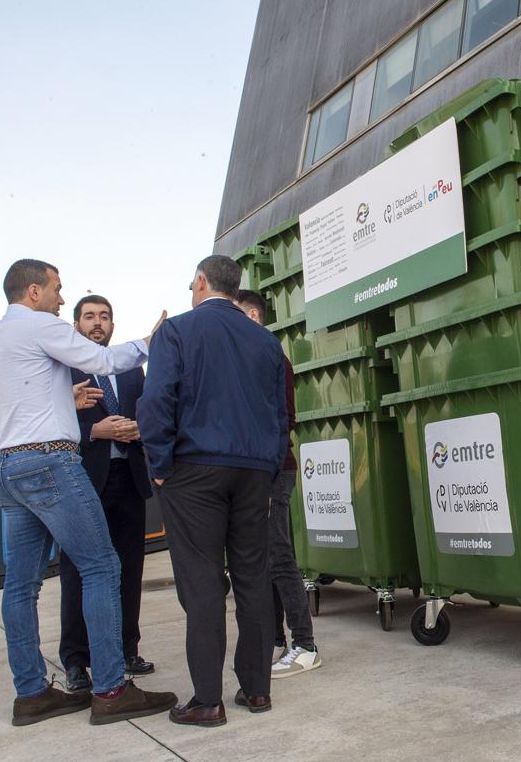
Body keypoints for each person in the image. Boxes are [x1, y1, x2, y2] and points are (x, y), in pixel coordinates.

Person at [0, 259, 177, 727]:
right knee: (103, 566)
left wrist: (58, 404)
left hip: (8, 465)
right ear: (33, 292)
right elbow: (105, 360)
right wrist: (153, 341)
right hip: (50, 461)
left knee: (21, 585)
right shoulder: (40, 325)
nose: (61, 299)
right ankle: (110, 688)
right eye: (56, 289)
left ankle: (31, 694)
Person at [138, 255, 289, 728]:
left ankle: (208, 699)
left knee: (203, 583)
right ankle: (257, 689)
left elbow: (156, 400)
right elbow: (278, 415)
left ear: (201, 282)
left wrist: (159, 466)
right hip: (252, 472)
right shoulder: (266, 342)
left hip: (195, 469)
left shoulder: (176, 332)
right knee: (252, 576)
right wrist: (264, 474)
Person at [58, 295, 157, 692]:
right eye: (89, 317)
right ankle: (76, 663)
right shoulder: (62, 368)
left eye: (104, 317)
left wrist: (138, 429)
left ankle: (126, 648)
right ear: (76, 324)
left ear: (113, 325)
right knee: (78, 573)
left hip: (129, 477)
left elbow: (150, 411)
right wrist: (93, 431)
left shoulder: (132, 371)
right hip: (84, 480)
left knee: (130, 569)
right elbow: (50, 421)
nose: (97, 323)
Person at [232, 289, 322, 678]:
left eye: (233, 314)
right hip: (258, 471)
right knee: (263, 557)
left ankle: (305, 644)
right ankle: (276, 639)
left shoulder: (270, 354)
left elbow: (282, 419)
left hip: (273, 470)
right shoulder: (249, 357)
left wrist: (264, 474)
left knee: (278, 556)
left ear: (252, 315)